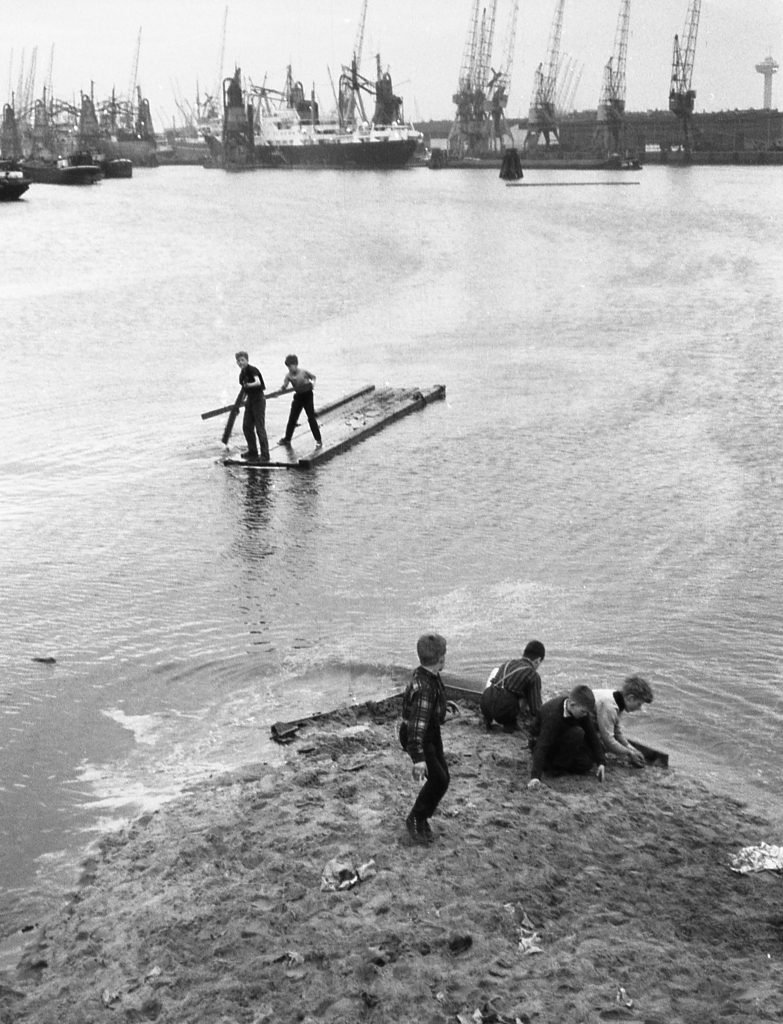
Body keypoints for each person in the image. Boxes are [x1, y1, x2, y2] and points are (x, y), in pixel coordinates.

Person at [399, 633, 450, 845]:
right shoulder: (425, 688)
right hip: (419, 738)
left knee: (443, 778)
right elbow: (416, 726)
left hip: (431, 731)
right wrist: (418, 758)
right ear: (440, 659)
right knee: (438, 779)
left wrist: (443, 707)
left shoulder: (429, 676)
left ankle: (422, 817)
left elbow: (429, 708)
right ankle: (416, 818)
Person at [527, 685, 605, 789]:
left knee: (587, 763)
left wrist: (601, 762)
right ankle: (555, 768)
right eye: (583, 712)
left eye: (587, 712)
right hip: (542, 742)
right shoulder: (553, 715)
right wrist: (535, 777)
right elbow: (542, 745)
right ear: (572, 704)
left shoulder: (580, 712)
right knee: (578, 733)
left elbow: (592, 736)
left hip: (562, 738)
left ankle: (561, 763)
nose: (585, 715)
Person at [480, 640, 545, 734]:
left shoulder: (507, 663)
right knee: (527, 694)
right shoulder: (533, 675)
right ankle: (510, 724)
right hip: (504, 710)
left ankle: (488, 720)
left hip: (485, 703)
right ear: (538, 660)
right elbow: (536, 709)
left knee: (507, 689)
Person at [592, 675, 654, 767]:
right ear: (630, 698)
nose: (640, 708)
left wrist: (631, 749)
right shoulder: (610, 707)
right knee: (601, 748)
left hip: (592, 721)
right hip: (579, 723)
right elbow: (608, 740)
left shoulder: (618, 698)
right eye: (639, 704)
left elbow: (616, 732)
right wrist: (629, 753)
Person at [278, 354, 322, 448]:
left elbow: (313, 377)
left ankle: (318, 440)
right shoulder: (288, 376)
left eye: (291, 366)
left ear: (296, 364)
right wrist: (280, 390)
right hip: (298, 396)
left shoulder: (303, 372)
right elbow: (284, 386)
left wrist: (313, 384)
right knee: (292, 418)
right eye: (288, 366)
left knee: (311, 417)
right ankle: (287, 439)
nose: (290, 368)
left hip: (308, 395)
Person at [235, 351, 269, 463]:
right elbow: (245, 390)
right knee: (246, 426)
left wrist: (248, 385)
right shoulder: (242, 375)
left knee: (260, 427)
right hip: (250, 400)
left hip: (259, 399)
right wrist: (240, 404)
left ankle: (265, 454)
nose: (241, 362)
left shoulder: (252, 369)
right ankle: (253, 451)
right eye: (239, 361)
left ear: (247, 360)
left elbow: (258, 382)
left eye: (242, 360)